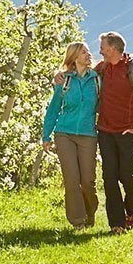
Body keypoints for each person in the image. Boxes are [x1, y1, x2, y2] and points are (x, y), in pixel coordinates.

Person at [95, 32, 133, 234]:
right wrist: (59, 76)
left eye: (102, 46)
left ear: (112, 48)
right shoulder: (102, 68)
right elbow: (80, 74)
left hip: (126, 132)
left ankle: (131, 209)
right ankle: (117, 224)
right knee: (109, 176)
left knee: (126, 175)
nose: (100, 50)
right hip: (104, 130)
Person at [42, 42, 100, 230]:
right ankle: (78, 221)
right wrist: (46, 136)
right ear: (74, 57)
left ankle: (90, 212)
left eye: (89, 52)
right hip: (64, 133)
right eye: (84, 52)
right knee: (72, 179)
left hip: (88, 134)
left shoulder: (97, 80)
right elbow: (53, 110)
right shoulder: (64, 81)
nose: (89, 55)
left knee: (88, 181)